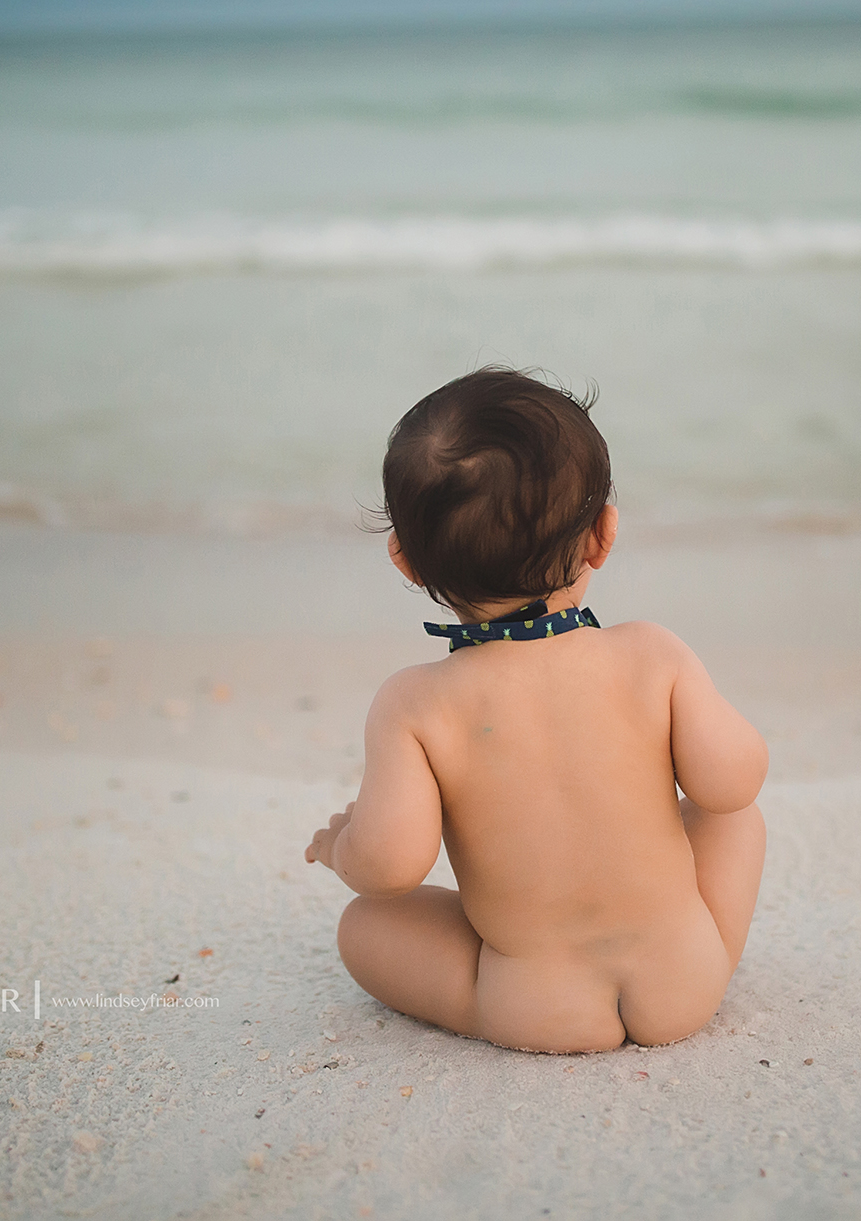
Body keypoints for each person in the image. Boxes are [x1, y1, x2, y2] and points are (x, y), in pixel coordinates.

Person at [304, 367, 767, 1052]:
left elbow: (392, 863)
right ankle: (703, 959)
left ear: (406, 561)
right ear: (602, 535)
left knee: (364, 924)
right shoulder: (651, 653)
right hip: (685, 982)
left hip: (531, 1003)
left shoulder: (414, 702)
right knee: (735, 821)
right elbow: (733, 782)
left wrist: (342, 844)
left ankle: (501, 1002)